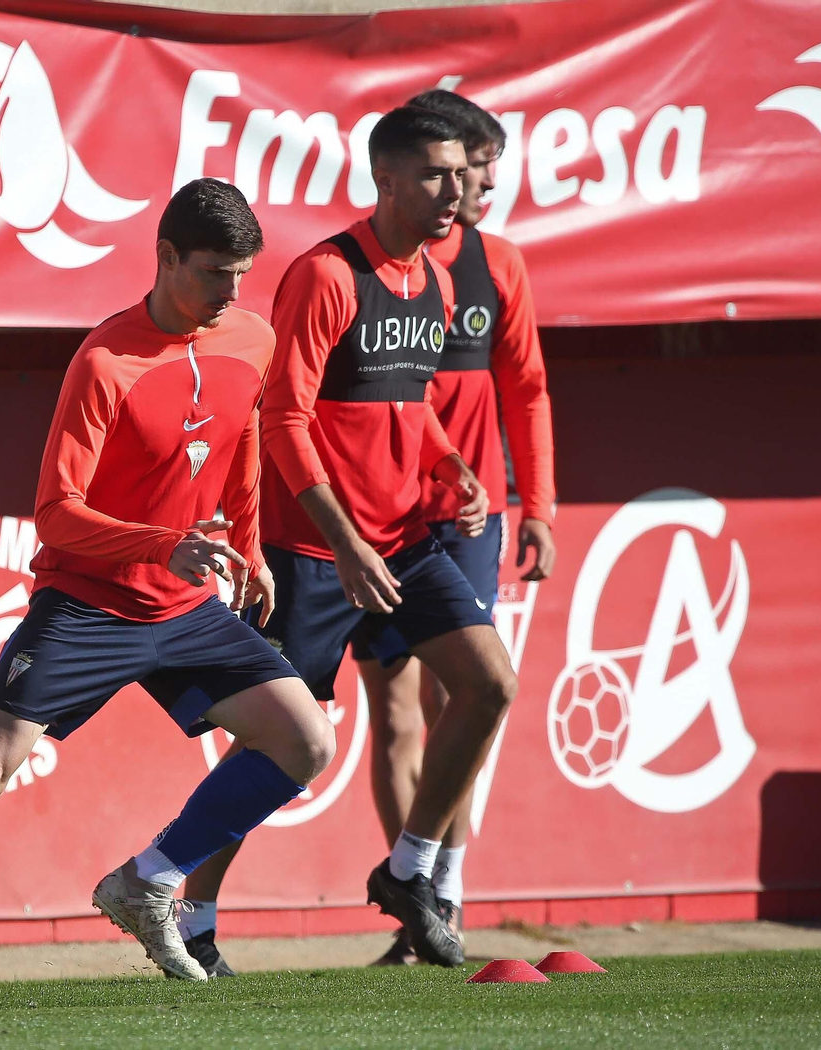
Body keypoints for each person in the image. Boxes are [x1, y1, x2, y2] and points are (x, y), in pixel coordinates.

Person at [0, 179, 335, 993]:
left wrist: (250, 547)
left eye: (242, 274)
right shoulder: (104, 361)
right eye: (214, 272)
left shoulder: (252, 337)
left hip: (186, 604)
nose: (231, 291)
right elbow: (55, 515)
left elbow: (243, 436)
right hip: (88, 603)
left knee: (307, 740)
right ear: (166, 257)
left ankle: (149, 880)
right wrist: (161, 544)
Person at [177, 106, 518, 974]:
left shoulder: (436, 281)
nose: (456, 190)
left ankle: (409, 870)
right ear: (387, 181)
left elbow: (411, 402)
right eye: (436, 174)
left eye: (461, 173)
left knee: (489, 684)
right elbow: (284, 419)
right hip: (315, 551)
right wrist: (345, 541)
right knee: (276, 742)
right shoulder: (327, 274)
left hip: (403, 540)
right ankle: (192, 914)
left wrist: (449, 465)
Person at [363, 89, 556, 966]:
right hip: (383, 518)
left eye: (479, 170)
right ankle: (414, 914)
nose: (476, 186)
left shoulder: (497, 264)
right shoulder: (371, 268)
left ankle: (443, 891)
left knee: (464, 700)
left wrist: (537, 506)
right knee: (394, 710)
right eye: (467, 168)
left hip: (468, 522)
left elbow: (528, 391)